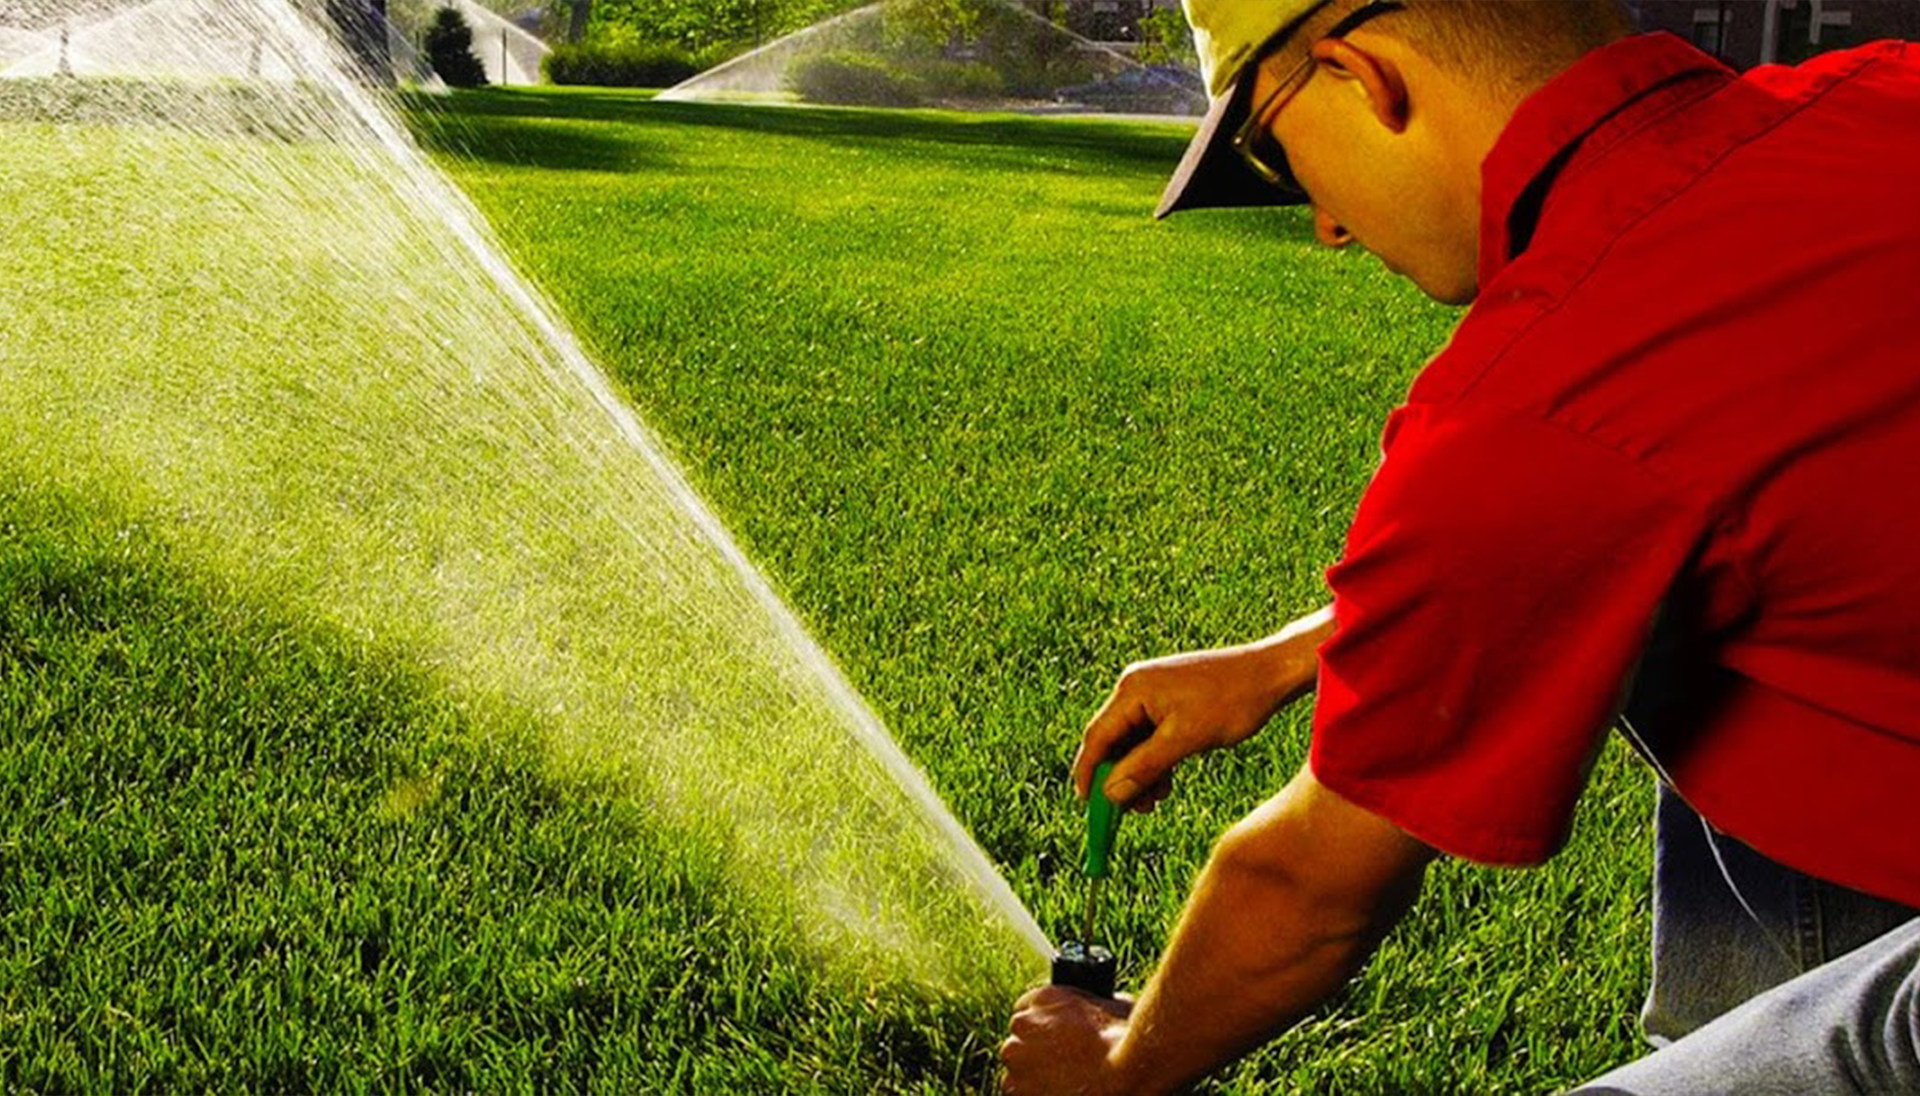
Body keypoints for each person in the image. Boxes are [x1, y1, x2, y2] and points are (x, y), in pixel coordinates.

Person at [999, 1, 1920, 1092]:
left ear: (1361, 76)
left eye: (1278, 158)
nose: (1325, 228)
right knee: (1694, 638)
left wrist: (1117, 1064)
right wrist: (1298, 655)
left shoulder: (1552, 375)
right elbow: (1620, 514)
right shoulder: (1876, 92)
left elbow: (1310, 885)